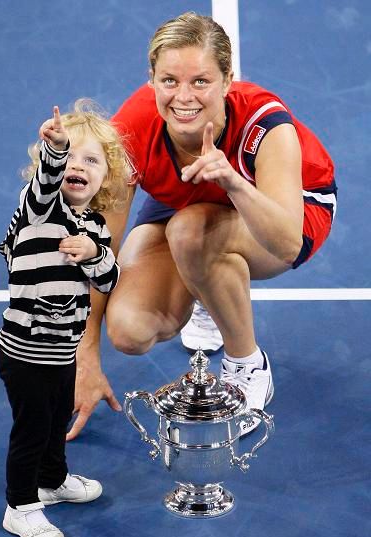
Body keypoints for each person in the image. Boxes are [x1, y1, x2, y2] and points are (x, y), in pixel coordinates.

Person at [68, 12, 336, 442]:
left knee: (191, 232)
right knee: (130, 330)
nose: (183, 97)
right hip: (182, 199)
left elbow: (288, 243)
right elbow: (101, 242)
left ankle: (247, 364)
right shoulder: (132, 129)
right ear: (151, 79)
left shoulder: (265, 126)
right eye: (170, 80)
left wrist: (232, 181)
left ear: (228, 80)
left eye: (201, 81)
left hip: (286, 205)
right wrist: (86, 354)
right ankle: (209, 287)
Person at [0, 100, 130, 537]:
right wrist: (56, 150)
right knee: (32, 429)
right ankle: (20, 507)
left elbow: (110, 277)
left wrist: (94, 254)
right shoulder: (38, 209)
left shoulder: (93, 225)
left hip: (62, 348)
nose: (77, 165)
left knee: (55, 421)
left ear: (105, 178)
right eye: (68, 156)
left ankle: (52, 480)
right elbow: (46, 181)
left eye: (91, 160)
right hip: (25, 348)